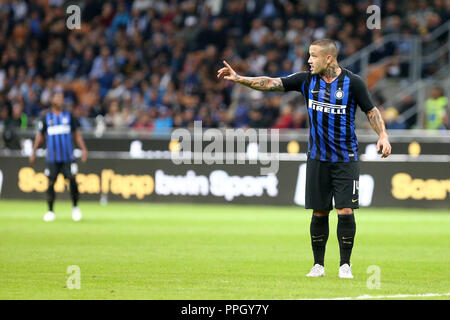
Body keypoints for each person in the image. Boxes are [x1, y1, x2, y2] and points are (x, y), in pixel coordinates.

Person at [217, 39, 392, 279]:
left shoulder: (353, 83)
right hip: (317, 157)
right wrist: (240, 79)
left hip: (345, 159)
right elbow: (271, 83)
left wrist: (383, 135)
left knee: (345, 210)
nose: (309, 60)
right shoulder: (306, 80)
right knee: (319, 211)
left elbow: (371, 110)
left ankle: (345, 265)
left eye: (313, 56)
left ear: (329, 58)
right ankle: (318, 265)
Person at [29, 91, 88, 222]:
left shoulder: (69, 115)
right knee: (50, 183)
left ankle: (75, 208)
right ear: (52, 100)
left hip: (68, 157)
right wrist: (33, 152)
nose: (61, 100)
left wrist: (83, 149)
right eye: (58, 98)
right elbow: (40, 136)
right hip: (52, 157)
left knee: (73, 181)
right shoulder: (46, 117)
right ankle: (50, 211)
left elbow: (76, 134)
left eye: (62, 98)